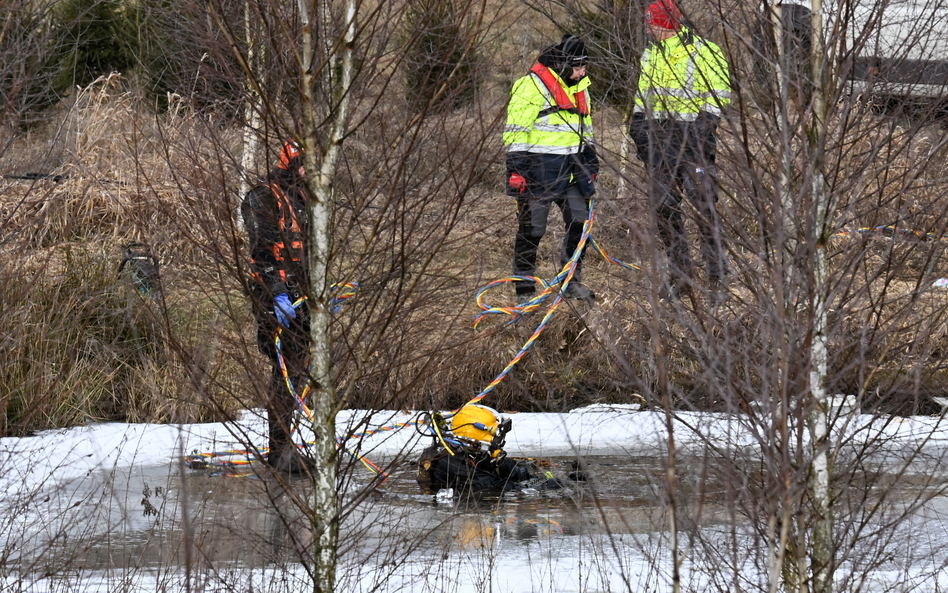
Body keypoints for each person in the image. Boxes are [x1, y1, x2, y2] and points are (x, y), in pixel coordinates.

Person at [628, 0, 731, 299]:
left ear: (665, 23)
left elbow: (720, 94)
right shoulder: (651, 55)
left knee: (704, 206)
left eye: (651, 22)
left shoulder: (705, 51)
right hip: (660, 142)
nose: (648, 27)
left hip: (694, 144)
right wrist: (638, 129)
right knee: (663, 209)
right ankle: (680, 275)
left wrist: (701, 129)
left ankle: (718, 276)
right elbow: (642, 98)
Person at [504, 34, 599, 305]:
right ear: (562, 64)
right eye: (577, 66)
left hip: (574, 172)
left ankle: (571, 282)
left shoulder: (582, 88)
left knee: (580, 223)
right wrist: (517, 171)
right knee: (532, 229)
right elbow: (515, 134)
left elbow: (587, 133)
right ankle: (524, 289)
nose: (582, 72)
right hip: (537, 173)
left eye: (585, 66)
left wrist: (591, 165)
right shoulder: (530, 87)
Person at [241, 140, 314, 474]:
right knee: (285, 367)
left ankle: (286, 445)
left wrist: (322, 297)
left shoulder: (303, 201)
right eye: (302, 165)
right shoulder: (263, 197)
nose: (306, 172)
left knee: (299, 368)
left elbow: (309, 255)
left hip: (300, 295)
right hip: (274, 295)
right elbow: (262, 253)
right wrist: (277, 293)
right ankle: (280, 451)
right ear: (290, 164)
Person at [416, 404, 563, 494]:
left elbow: (513, 472)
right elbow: (489, 485)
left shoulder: (472, 452)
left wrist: (542, 479)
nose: (497, 440)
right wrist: (541, 488)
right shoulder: (448, 461)